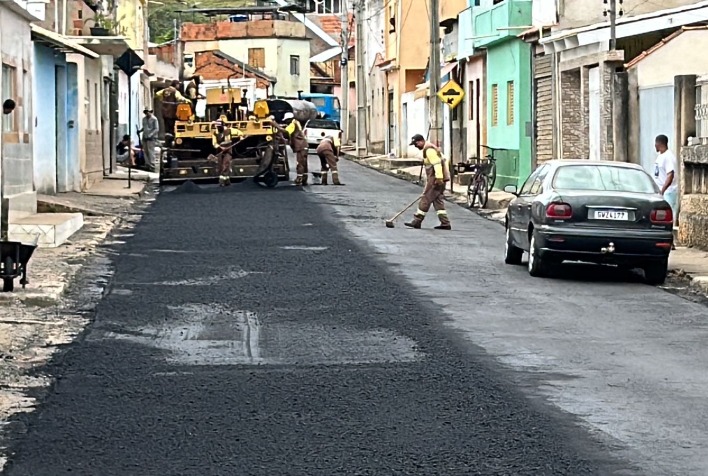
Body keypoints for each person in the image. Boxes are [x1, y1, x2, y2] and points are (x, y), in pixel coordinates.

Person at [404, 134, 451, 230]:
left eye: (416, 144)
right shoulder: (428, 149)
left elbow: (437, 164)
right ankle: (445, 223)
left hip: (436, 180)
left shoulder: (429, 150)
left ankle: (417, 221)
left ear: (421, 141)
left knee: (425, 199)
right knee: (438, 201)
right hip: (436, 179)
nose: (416, 146)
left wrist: (439, 178)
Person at [273, 112, 308, 185]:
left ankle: (299, 179)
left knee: (300, 163)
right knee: (304, 163)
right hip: (303, 146)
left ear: (289, 119)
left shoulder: (293, 124)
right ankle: (304, 179)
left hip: (301, 146)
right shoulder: (296, 123)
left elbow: (286, 132)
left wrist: (276, 126)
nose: (286, 122)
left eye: (286, 121)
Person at [654, 134, 678, 222]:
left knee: (669, 216)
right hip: (662, 192)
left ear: (658, 143)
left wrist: (663, 190)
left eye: (655, 143)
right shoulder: (660, 156)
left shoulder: (668, 156)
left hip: (668, 192)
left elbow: (670, 175)